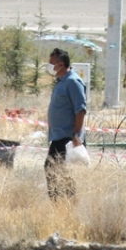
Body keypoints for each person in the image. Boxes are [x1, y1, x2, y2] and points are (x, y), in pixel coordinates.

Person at [45, 48, 87, 199]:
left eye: (51, 63)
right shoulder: (61, 81)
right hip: (58, 136)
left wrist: (76, 135)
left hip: (67, 138)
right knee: (56, 171)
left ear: (61, 65)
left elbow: (80, 110)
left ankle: (64, 207)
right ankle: (62, 207)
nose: (49, 66)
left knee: (56, 171)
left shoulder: (73, 82)